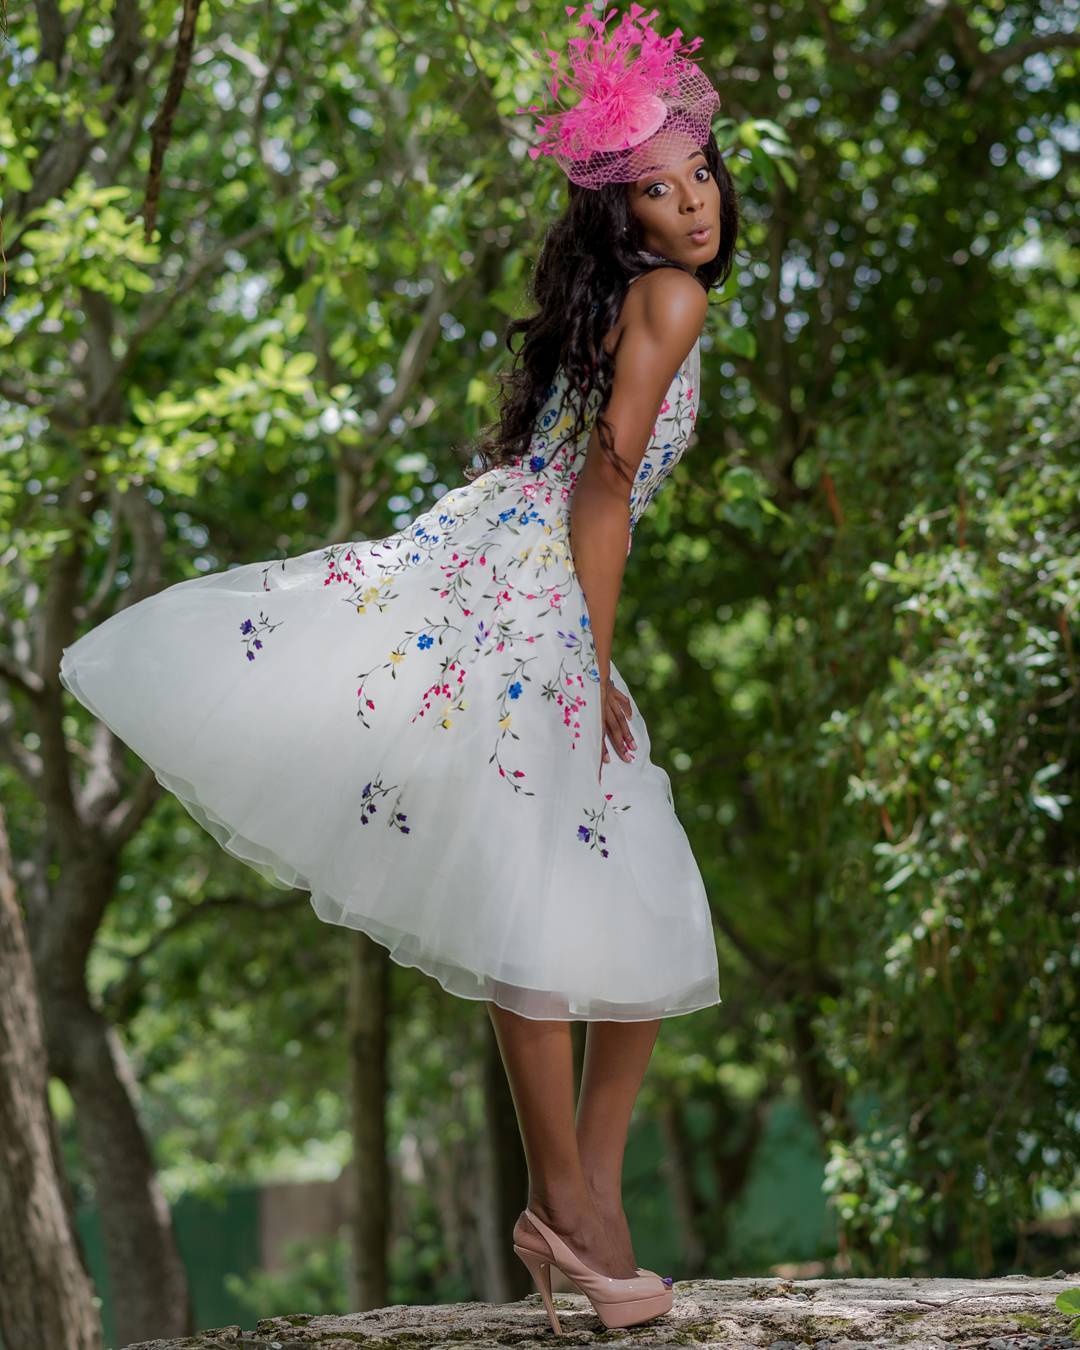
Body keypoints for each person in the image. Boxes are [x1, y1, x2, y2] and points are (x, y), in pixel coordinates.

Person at [57, 2, 739, 1334]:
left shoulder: (630, 302)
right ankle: (579, 1216)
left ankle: (579, 1206)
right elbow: (604, 487)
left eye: (701, 174)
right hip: (528, 595)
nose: (695, 205)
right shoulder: (667, 301)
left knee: (589, 880)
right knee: (556, 894)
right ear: (627, 222)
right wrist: (590, 657)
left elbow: (580, 478)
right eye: (660, 191)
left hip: (491, 575)